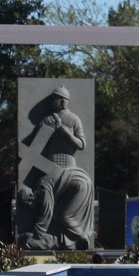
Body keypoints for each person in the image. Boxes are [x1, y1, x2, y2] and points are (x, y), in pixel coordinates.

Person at [20, 87, 93, 249]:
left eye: (53, 99)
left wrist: (65, 132)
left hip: (70, 167)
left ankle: (76, 238)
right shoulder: (47, 120)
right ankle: (41, 233)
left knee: (66, 213)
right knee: (45, 190)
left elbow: (81, 144)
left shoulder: (74, 119)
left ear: (61, 101)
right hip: (49, 167)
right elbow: (33, 147)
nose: (50, 102)